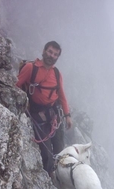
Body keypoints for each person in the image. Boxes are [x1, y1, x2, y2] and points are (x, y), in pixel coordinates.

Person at [16, 41, 72, 175]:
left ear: (57, 57)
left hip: (54, 114)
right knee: (46, 153)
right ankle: (48, 176)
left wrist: (67, 115)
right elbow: (16, 86)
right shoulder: (31, 68)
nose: (51, 56)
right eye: (50, 52)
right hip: (37, 115)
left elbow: (61, 95)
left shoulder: (57, 74)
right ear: (44, 51)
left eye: (55, 54)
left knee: (60, 149)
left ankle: (58, 174)